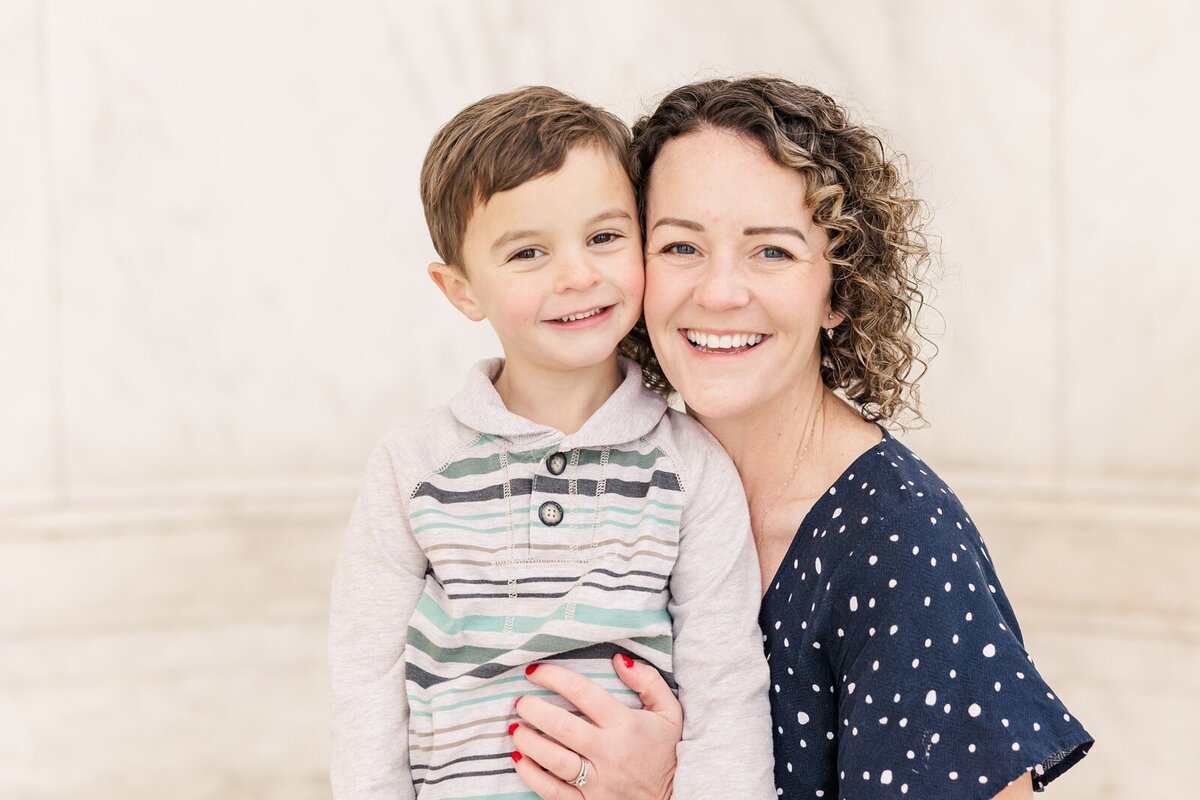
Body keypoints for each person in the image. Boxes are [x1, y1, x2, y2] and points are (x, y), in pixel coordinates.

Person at [510, 77, 1093, 799]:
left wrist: (663, 791)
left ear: (841, 291)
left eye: (773, 253)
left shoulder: (900, 545)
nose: (719, 292)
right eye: (681, 246)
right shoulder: (629, 490)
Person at [327, 86, 775, 800]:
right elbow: (366, 684)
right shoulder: (413, 467)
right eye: (528, 252)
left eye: (604, 237)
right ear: (461, 289)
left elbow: (728, 693)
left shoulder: (689, 468)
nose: (577, 275)